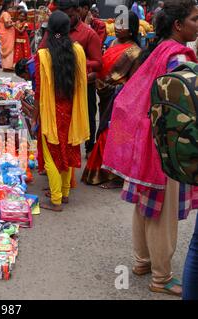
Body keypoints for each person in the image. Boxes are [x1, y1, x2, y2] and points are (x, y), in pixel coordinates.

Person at [102, 0, 198, 296]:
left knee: (148, 203)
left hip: (149, 136)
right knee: (163, 210)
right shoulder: (178, 56)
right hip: (168, 140)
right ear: (178, 25)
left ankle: (142, 262)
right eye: (195, 19)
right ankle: (162, 277)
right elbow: (182, 100)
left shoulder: (159, 49)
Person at [33, 10, 89, 212]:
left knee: (52, 157)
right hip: (72, 112)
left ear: (50, 30)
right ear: (67, 30)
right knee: (67, 150)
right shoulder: (78, 52)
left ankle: (55, 200)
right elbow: (81, 83)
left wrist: (35, 116)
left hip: (51, 112)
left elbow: (39, 90)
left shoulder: (43, 55)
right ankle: (64, 193)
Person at [81, 11, 142, 188]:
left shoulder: (135, 52)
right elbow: (102, 68)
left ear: (131, 30)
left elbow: (134, 83)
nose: (117, 27)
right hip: (104, 93)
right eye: (116, 23)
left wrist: (118, 91)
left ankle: (115, 177)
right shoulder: (113, 43)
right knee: (104, 133)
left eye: (122, 25)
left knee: (111, 136)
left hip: (119, 98)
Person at [39, 0, 102, 158]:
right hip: (58, 83)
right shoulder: (56, 30)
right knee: (59, 123)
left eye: (69, 14)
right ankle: (59, 155)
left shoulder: (88, 33)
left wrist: (76, 62)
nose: (65, 17)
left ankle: (88, 148)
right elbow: (42, 50)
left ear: (78, 11)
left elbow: (98, 62)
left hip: (82, 83)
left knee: (86, 116)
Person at [0, 0, 16, 71]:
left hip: (5, 34)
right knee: (9, 49)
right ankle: (8, 67)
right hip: (7, 34)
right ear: (8, 4)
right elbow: (6, 25)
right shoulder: (5, 13)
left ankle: (7, 66)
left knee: (7, 49)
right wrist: (13, 24)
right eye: (12, 3)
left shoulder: (4, 13)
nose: (13, 4)